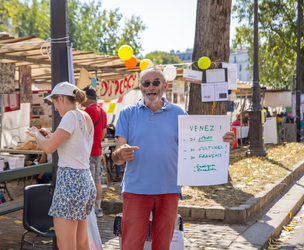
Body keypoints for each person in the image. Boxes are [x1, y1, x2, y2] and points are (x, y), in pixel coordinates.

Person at [112, 63, 235, 250]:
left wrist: (222, 141)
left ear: (165, 86)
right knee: (130, 245)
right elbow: (117, 156)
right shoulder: (127, 113)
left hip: (168, 189)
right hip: (136, 189)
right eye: (146, 83)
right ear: (140, 87)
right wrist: (120, 153)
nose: (151, 87)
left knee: (163, 246)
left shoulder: (179, 113)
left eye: (156, 82)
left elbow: (198, 143)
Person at [26, 81, 96, 250]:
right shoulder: (85, 115)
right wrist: (51, 135)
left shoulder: (70, 116)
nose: (55, 108)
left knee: (66, 245)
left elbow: (49, 148)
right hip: (84, 180)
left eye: (55, 103)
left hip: (70, 182)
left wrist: (36, 135)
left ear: (62, 98)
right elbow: (73, 143)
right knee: (82, 242)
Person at [82, 86, 107, 217]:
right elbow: (103, 131)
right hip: (97, 150)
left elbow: (84, 131)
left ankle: (90, 210)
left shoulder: (87, 111)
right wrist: (97, 141)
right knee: (97, 181)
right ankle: (98, 209)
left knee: (89, 181)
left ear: (86, 97)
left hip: (89, 152)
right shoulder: (102, 111)